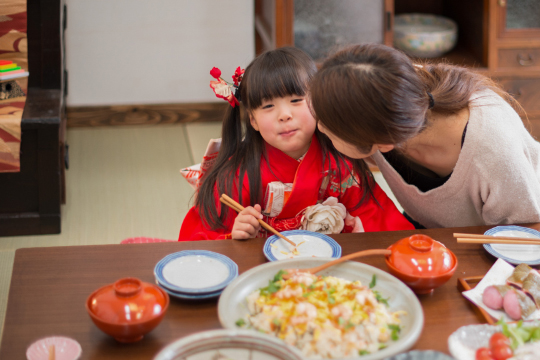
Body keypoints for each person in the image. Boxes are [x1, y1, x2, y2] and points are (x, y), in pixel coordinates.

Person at [179, 47, 413, 240]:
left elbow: (377, 218)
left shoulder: (340, 162)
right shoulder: (237, 174)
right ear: (253, 120)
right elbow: (202, 237)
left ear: (318, 100)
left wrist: (360, 234)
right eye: (268, 106)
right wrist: (236, 234)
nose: (284, 115)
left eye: (296, 100)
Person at [310, 43, 540, 229]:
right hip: (428, 230)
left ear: (384, 143)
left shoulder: (494, 151)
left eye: (329, 126)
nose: (319, 127)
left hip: (499, 244)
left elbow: (525, 238)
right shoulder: (389, 94)